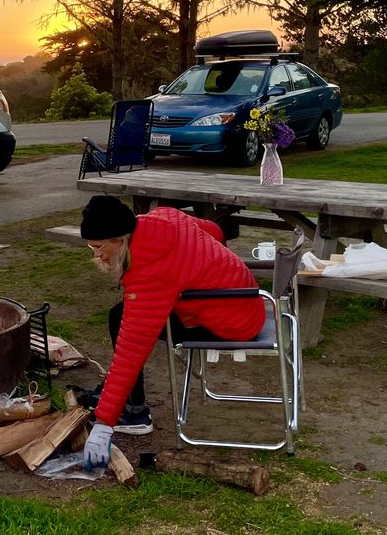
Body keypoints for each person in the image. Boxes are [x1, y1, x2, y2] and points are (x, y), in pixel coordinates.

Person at [78, 195, 266, 470]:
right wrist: (210, 274)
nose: (97, 255)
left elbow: (131, 352)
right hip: (246, 302)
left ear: (120, 239)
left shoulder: (150, 274)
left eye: (98, 247)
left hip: (234, 324)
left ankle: (135, 413)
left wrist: (104, 422)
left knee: (120, 319)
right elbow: (214, 231)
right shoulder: (161, 217)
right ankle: (129, 404)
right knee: (120, 314)